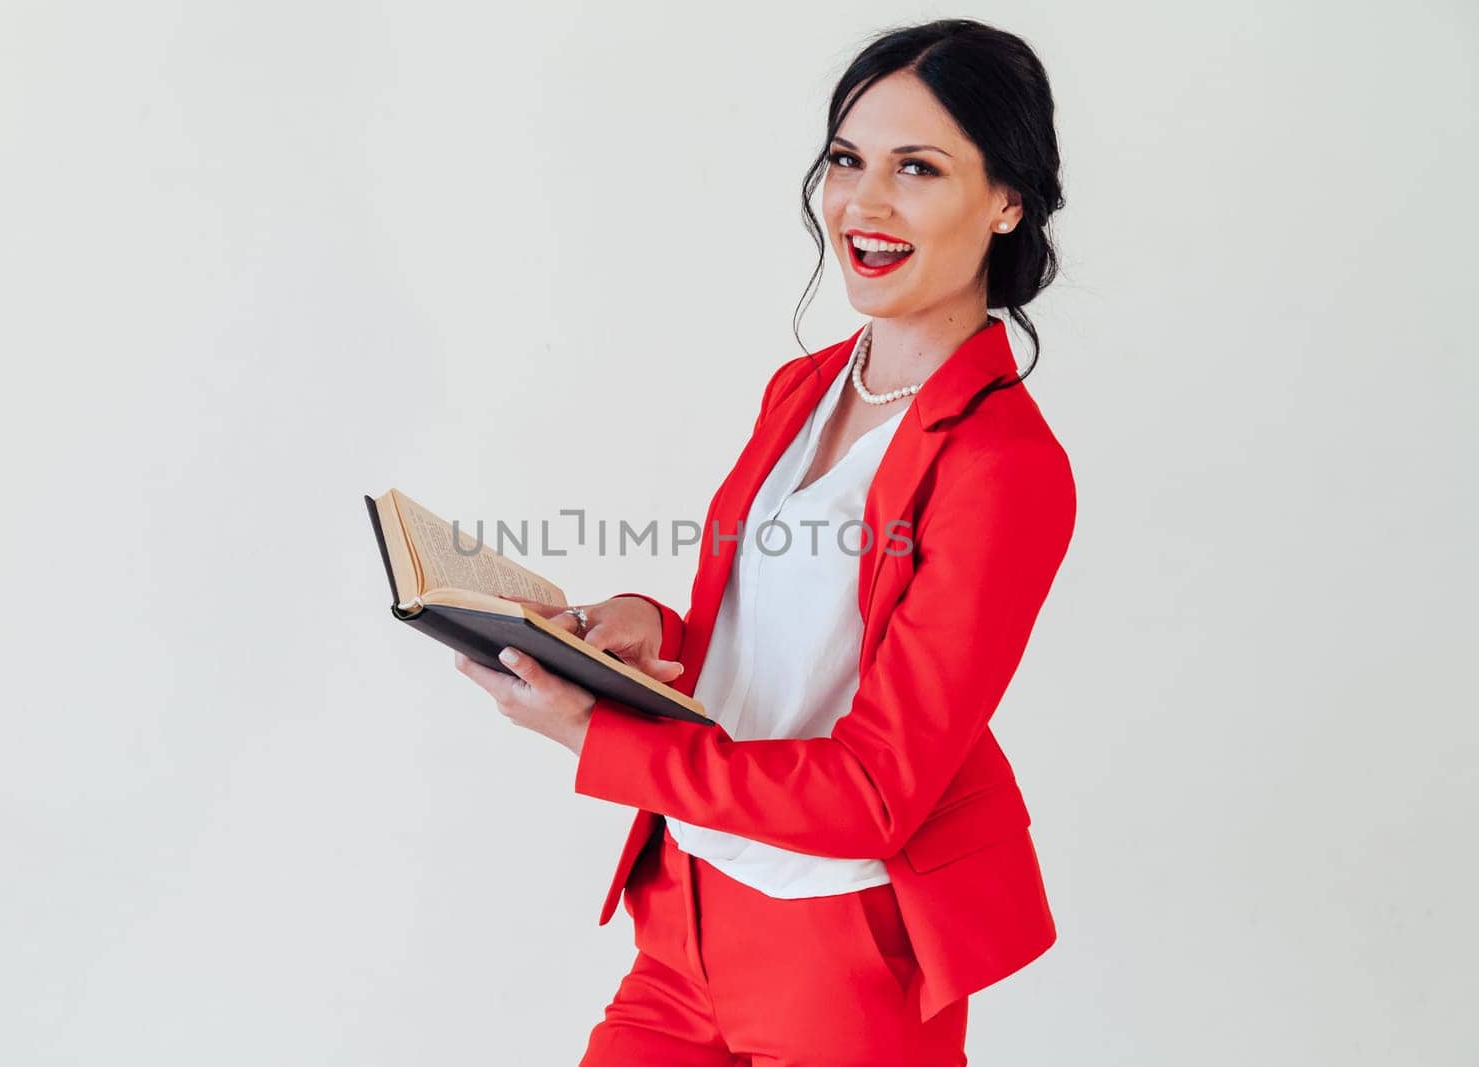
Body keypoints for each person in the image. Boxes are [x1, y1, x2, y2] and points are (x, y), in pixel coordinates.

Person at [453, 17, 1074, 1066]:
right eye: (845, 159)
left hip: (841, 956)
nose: (863, 203)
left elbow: (874, 789)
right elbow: (774, 649)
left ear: (1006, 199)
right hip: (684, 913)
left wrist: (591, 738)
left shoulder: (1004, 467)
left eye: (916, 167)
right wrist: (646, 630)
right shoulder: (805, 387)